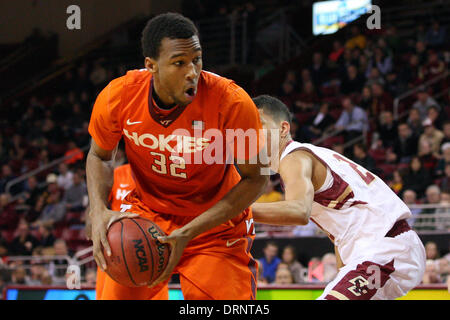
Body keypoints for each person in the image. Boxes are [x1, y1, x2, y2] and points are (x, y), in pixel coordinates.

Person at [86, 13, 268, 300]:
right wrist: (97, 211)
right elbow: (99, 155)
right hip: (148, 218)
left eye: (196, 59)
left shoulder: (232, 102)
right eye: (179, 63)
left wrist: (190, 231)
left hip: (214, 227)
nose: (192, 71)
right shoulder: (119, 96)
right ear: (151, 66)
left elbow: (257, 178)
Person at [251, 95, 426, 300]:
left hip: (387, 249)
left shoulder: (294, 158)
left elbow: (298, 211)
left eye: (259, 125)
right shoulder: (311, 156)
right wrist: (341, 275)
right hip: (379, 252)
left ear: (283, 129)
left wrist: (236, 211)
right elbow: (341, 227)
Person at [87, 163, 169, 300]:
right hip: (115, 249)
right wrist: (92, 221)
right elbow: (96, 204)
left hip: (149, 248)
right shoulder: (118, 173)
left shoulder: (159, 174)